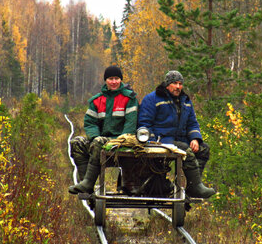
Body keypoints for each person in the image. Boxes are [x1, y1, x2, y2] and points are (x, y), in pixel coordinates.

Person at [137, 70, 215, 198]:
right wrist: (151, 141)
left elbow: (192, 123)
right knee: (187, 152)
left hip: (180, 139)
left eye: (180, 83)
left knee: (203, 149)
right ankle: (195, 187)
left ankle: (192, 185)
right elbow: (144, 123)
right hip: (161, 141)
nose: (178, 87)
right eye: (174, 83)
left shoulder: (185, 101)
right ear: (167, 85)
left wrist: (195, 139)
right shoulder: (152, 99)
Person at [69, 65, 138, 194]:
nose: (114, 82)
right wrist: (94, 137)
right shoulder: (96, 101)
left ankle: (88, 183)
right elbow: (90, 123)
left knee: (98, 142)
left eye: (116, 78)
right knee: (76, 142)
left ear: (121, 80)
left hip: (122, 142)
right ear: (106, 80)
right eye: (110, 78)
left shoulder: (129, 99)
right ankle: (85, 185)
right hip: (100, 142)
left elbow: (131, 123)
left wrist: (120, 141)